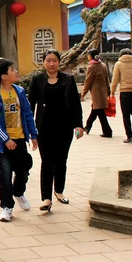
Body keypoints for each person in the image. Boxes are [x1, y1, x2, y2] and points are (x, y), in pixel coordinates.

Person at [28, 49, 83, 212]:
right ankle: (46, 198)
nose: (51, 64)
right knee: (47, 162)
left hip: (64, 127)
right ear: (43, 62)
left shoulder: (68, 80)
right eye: (48, 60)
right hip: (44, 128)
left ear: (59, 63)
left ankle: (59, 190)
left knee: (61, 161)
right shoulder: (37, 80)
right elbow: (30, 105)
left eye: (54, 61)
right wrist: (30, 129)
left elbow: (75, 104)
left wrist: (79, 125)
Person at [0, 59, 38, 222]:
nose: (16, 71)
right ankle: (7, 207)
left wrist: (33, 134)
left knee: (23, 171)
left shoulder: (20, 92)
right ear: (3, 76)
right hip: (1, 145)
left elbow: (28, 113)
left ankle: (19, 192)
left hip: (20, 139)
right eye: (12, 69)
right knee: (5, 175)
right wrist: (5, 139)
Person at [81, 49, 113, 138]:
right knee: (95, 110)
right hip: (103, 91)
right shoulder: (103, 65)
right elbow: (107, 79)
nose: (88, 57)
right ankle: (87, 126)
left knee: (100, 112)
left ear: (91, 56)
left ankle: (108, 131)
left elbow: (88, 81)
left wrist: (83, 93)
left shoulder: (91, 67)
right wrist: (108, 91)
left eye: (88, 55)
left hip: (96, 92)